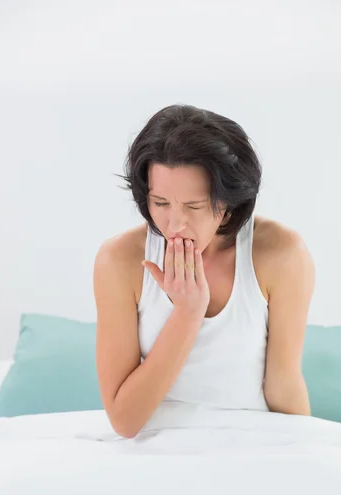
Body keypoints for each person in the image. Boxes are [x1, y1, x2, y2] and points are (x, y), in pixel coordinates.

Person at [93, 104, 315, 439]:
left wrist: (308, 454)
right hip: (153, 449)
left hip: (251, 441)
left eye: (194, 206)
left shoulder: (281, 254)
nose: (175, 224)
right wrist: (187, 313)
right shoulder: (119, 261)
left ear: (228, 205)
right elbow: (124, 421)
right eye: (161, 203)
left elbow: (283, 387)